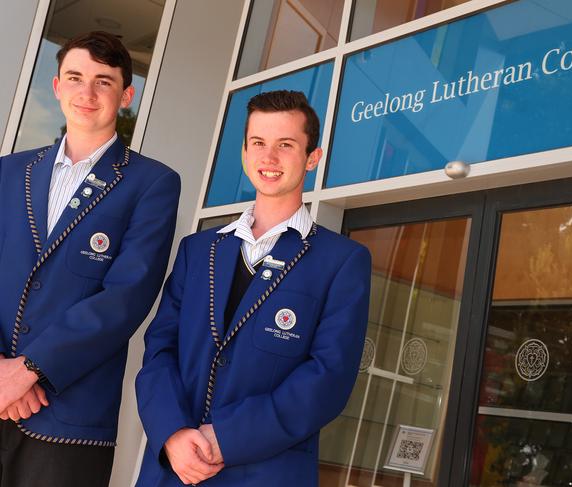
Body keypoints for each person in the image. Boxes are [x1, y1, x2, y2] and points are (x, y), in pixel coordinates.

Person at [135, 90, 371, 486]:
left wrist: (225, 438)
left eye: (286, 145)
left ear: (312, 158)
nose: (269, 158)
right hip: (173, 471)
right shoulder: (198, 250)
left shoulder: (341, 261)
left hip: (267, 473)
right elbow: (159, 350)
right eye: (258, 143)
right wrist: (173, 433)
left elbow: (327, 378)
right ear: (244, 153)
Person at [0, 31, 181, 487]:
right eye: (76, 78)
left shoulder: (152, 184)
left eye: (104, 81)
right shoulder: (6, 172)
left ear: (126, 95)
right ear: (57, 86)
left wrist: (29, 370)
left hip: (68, 419)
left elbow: (126, 296)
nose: (87, 92)